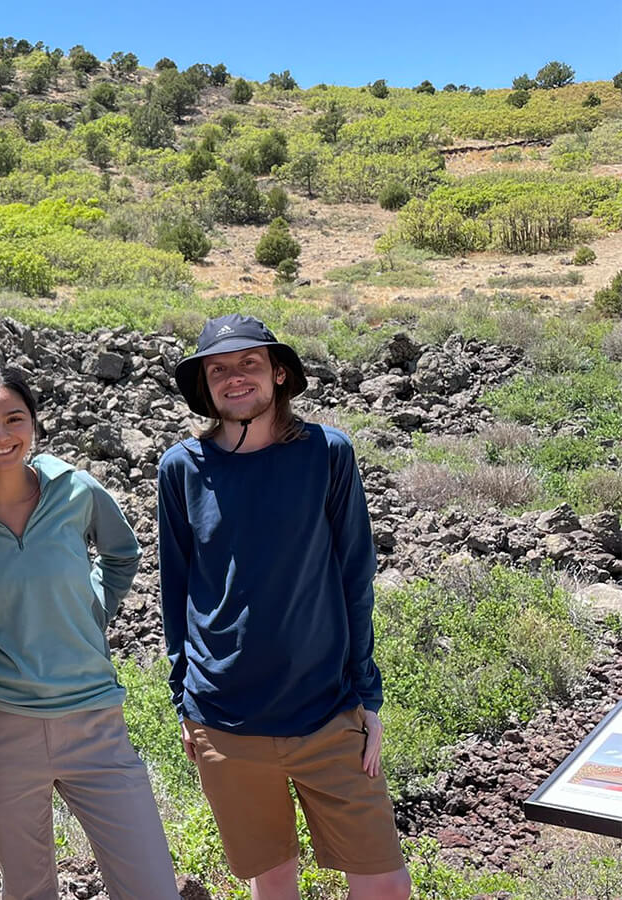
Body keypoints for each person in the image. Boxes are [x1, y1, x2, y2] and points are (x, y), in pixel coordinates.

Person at [157, 314, 412, 900]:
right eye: (218, 368)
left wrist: (366, 696)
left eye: (249, 363)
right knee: (274, 884)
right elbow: (176, 590)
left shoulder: (326, 453)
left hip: (325, 711)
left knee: (386, 884)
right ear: (204, 385)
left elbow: (355, 575)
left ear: (278, 372)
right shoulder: (181, 469)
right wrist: (183, 701)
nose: (234, 377)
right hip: (224, 718)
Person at [0, 363, 179, 900]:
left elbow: (122, 554)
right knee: (28, 890)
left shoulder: (74, 489)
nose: (1, 436)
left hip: (95, 723)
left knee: (151, 887)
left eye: (14, 419)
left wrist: (93, 608)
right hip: (2, 728)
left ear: (34, 424)